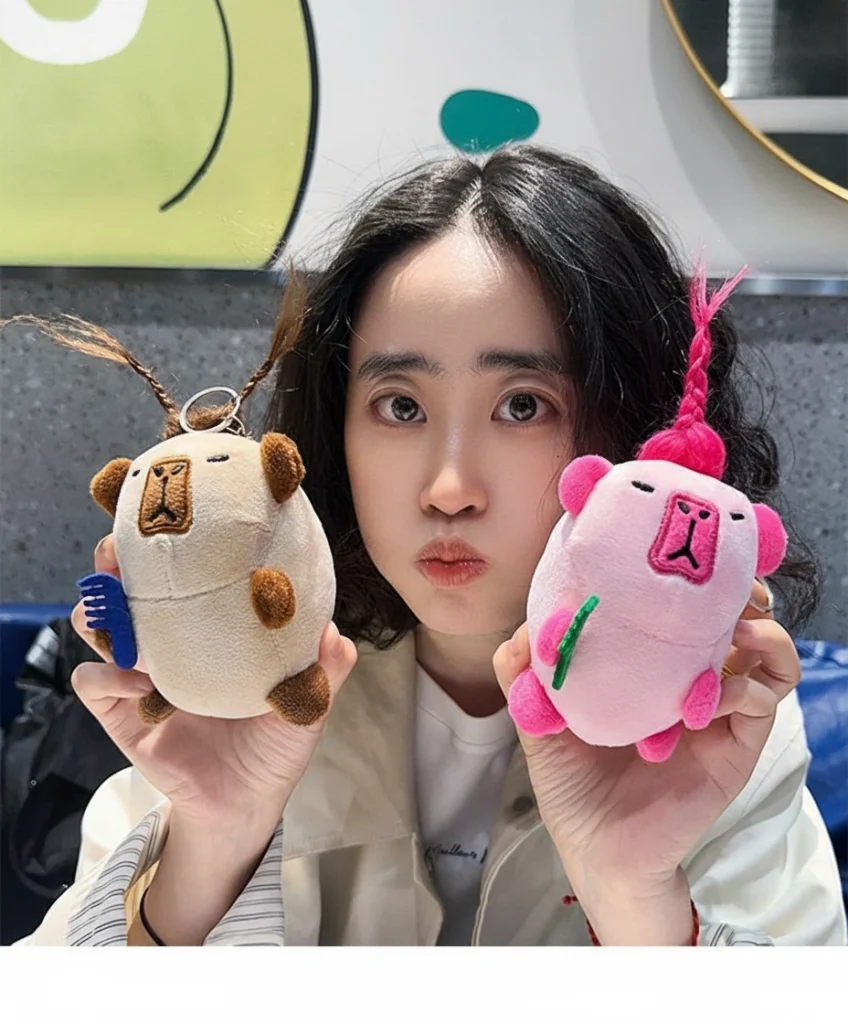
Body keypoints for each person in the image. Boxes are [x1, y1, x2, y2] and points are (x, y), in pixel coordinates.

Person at [19, 145, 846, 946]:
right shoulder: (249, 680)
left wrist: (635, 901)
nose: (449, 488)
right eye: (400, 407)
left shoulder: (716, 725)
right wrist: (210, 842)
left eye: (524, 406)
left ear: (633, 433)